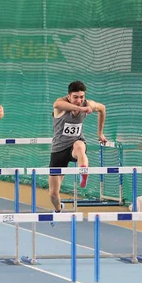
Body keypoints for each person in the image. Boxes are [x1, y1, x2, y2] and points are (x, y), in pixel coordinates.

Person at [48, 81, 107, 217]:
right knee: (53, 194)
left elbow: (102, 108)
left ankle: (83, 171)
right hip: (58, 150)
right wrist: (82, 109)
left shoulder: (87, 103)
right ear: (69, 96)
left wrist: (100, 133)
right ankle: (58, 209)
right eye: (76, 97)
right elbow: (56, 104)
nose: (79, 100)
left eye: (81, 97)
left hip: (74, 145)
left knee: (80, 145)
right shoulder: (61, 106)